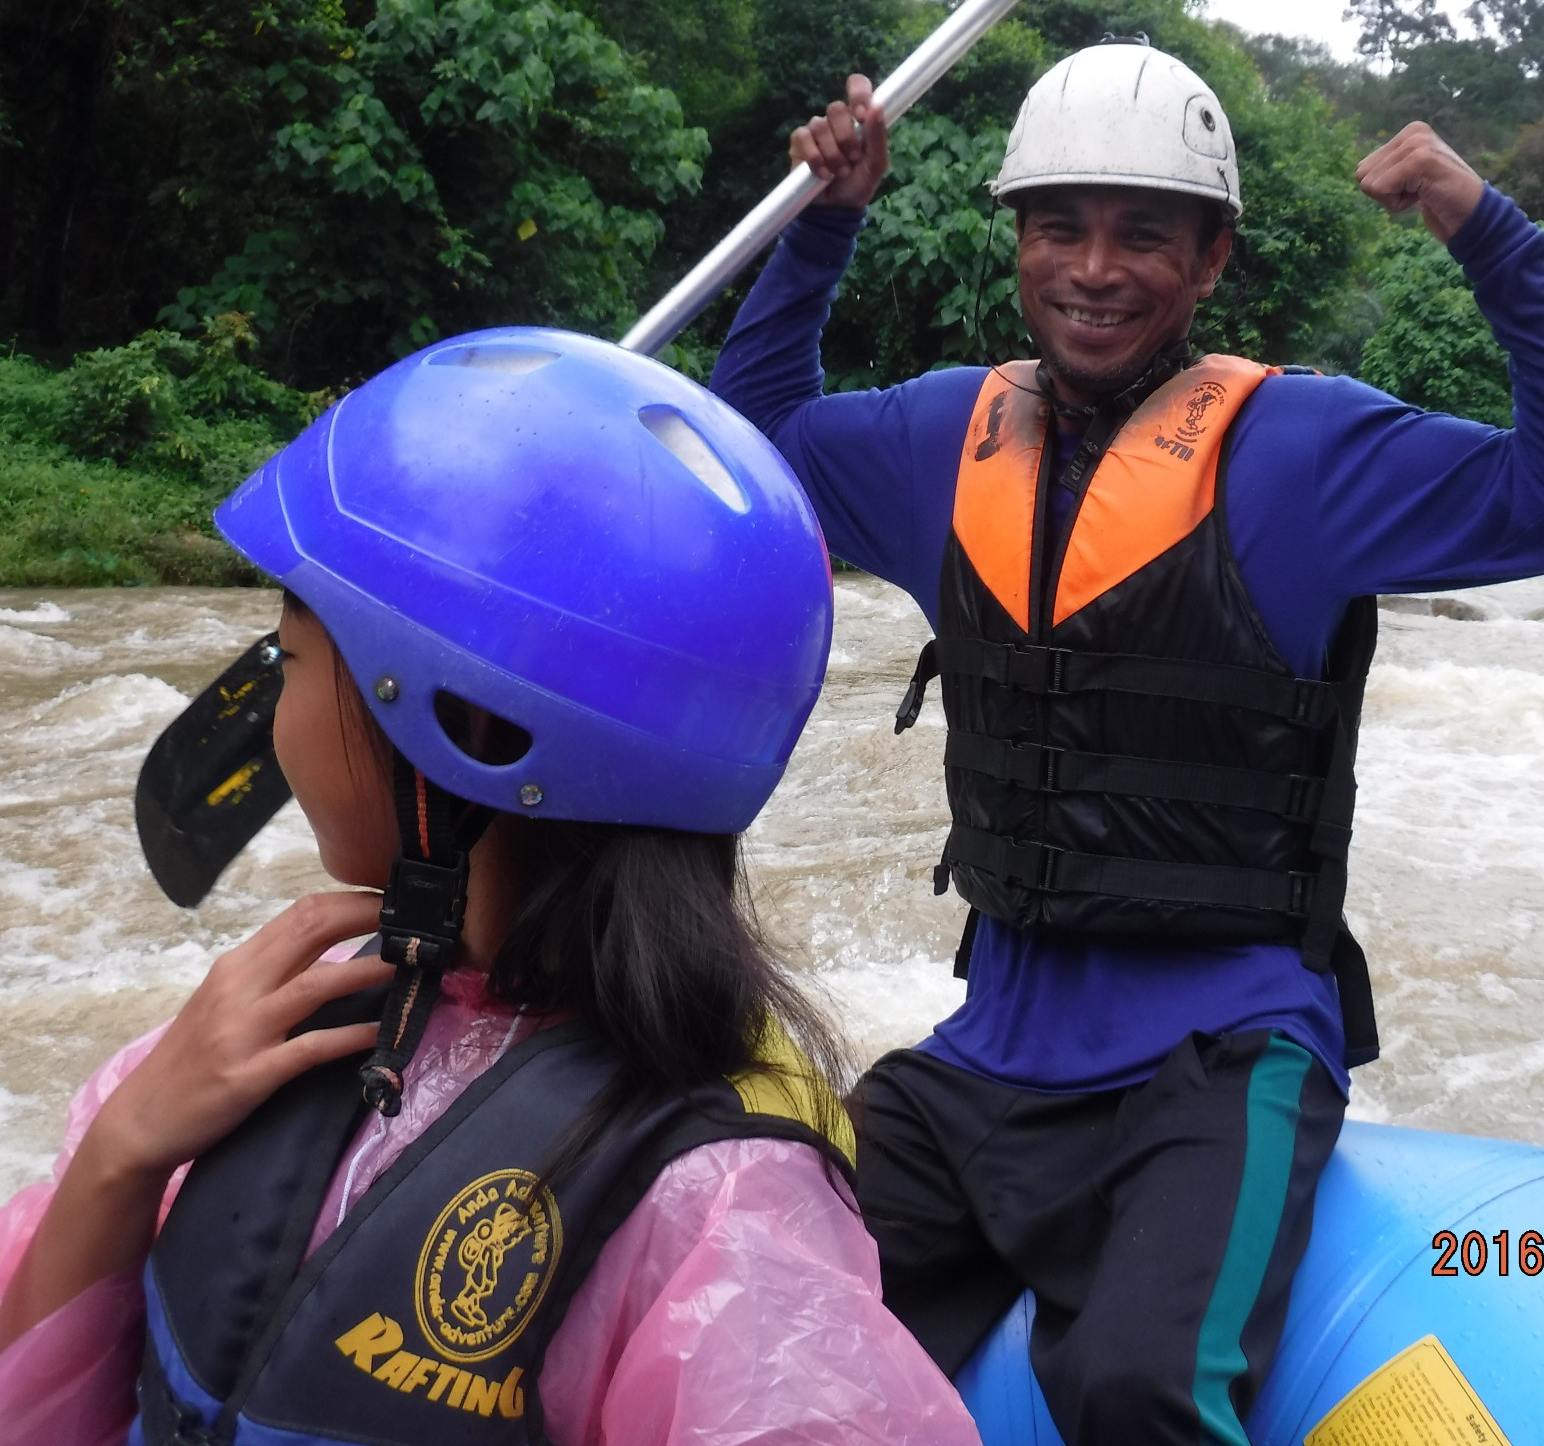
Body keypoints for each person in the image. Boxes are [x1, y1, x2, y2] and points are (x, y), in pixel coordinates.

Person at [709, 40, 1544, 1445]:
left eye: (1143, 235)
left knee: (1135, 1392)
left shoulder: (1307, 452)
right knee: (759, 1327)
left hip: (1220, 1055)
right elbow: (745, 450)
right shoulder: (938, 442)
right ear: (1019, 240)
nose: (1093, 267)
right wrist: (825, 223)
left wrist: (1489, 229)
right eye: (1060, 227)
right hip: (990, 1051)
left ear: (1209, 259)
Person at [0, 328, 982, 1446]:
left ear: (459, 725)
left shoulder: (721, 1206)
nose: (271, 711)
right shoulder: (259, 1030)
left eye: (295, 654)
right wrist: (120, 1155)